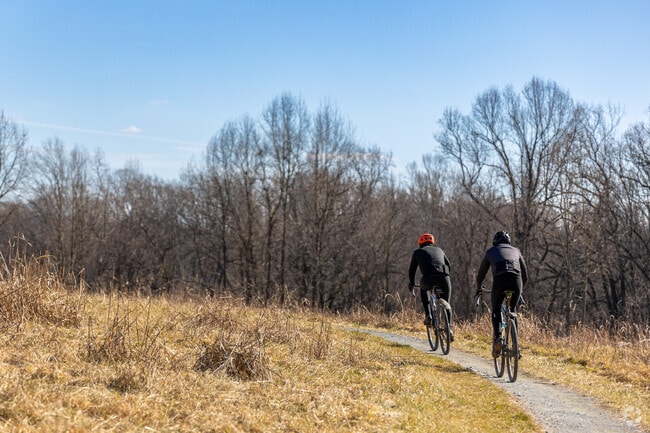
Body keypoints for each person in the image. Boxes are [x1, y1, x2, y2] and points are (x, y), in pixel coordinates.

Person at [476, 230, 528, 356]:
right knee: (513, 310)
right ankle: (516, 347)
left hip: (500, 280)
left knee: (496, 309)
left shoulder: (490, 252)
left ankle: (498, 338)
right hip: (516, 281)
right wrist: (520, 291)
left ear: (495, 242)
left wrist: (479, 288)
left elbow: (481, 274)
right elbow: (525, 275)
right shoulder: (516, 251)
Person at [408, 233, 453, 338]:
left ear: (420, 243)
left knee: (424, 290)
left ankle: (428, 315)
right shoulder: (439, 250)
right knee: (447, 304)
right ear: (432, 242)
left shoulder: (417, 252)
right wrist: (445, 276)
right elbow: (449, 265)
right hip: (444, 277)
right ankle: (449, 329)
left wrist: (412, 283)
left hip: (428, 277)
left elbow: (412, 270)